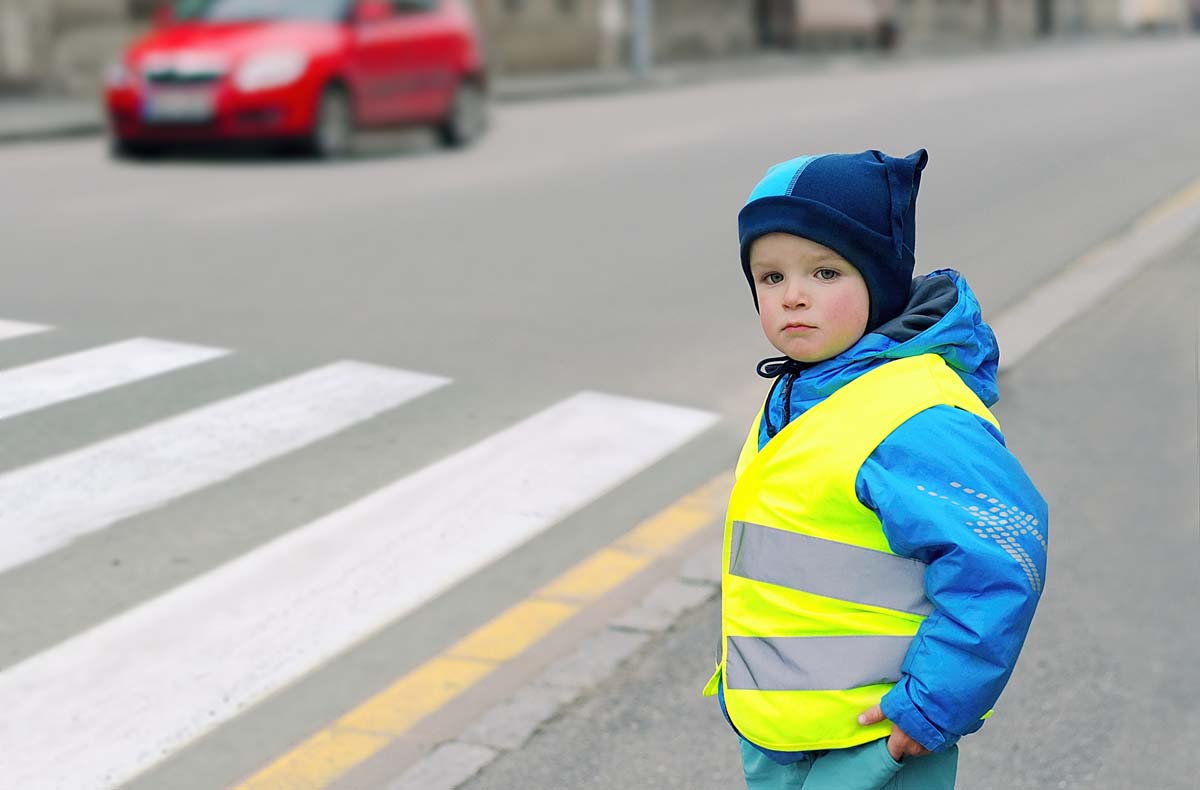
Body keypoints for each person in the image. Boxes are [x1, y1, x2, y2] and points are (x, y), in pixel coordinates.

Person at [702, 149, 1048, 789]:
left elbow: (1000, 561)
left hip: (874, 739)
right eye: (770, 277)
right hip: (780, 732)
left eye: (826, 272)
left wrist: (933, 705)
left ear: (880, 282)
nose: (794, 297)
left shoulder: (915, 417)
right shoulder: (801, 389)